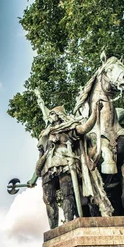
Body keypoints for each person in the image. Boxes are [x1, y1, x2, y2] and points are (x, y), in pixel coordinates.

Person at [27, 90, 98, 228]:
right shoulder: (44, 135)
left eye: (53, 113)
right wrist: (33, 178)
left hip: (65, 163)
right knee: (48, 198)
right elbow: (40, 158)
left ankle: (68, 223)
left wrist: (95, 113)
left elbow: (83, 130)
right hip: (47, 167)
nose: (51, 115)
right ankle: (53, 230)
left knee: (67, 194)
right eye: (51, 113)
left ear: (59, 115)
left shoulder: (68, 128)